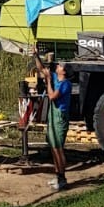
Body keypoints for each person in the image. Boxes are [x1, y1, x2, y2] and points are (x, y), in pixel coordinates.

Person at [34, 50, 73, 191]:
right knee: (53, 148)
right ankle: (58, 176)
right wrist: (36, 55)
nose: (58, 66)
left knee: (58, 149)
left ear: (64, 72)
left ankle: (62, 179)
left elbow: (52, 96)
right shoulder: (56, 77)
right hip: (53, 115)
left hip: (59, 117)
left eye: (60, 66)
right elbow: (42, 69)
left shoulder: (65, 84)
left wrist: (49, 81)